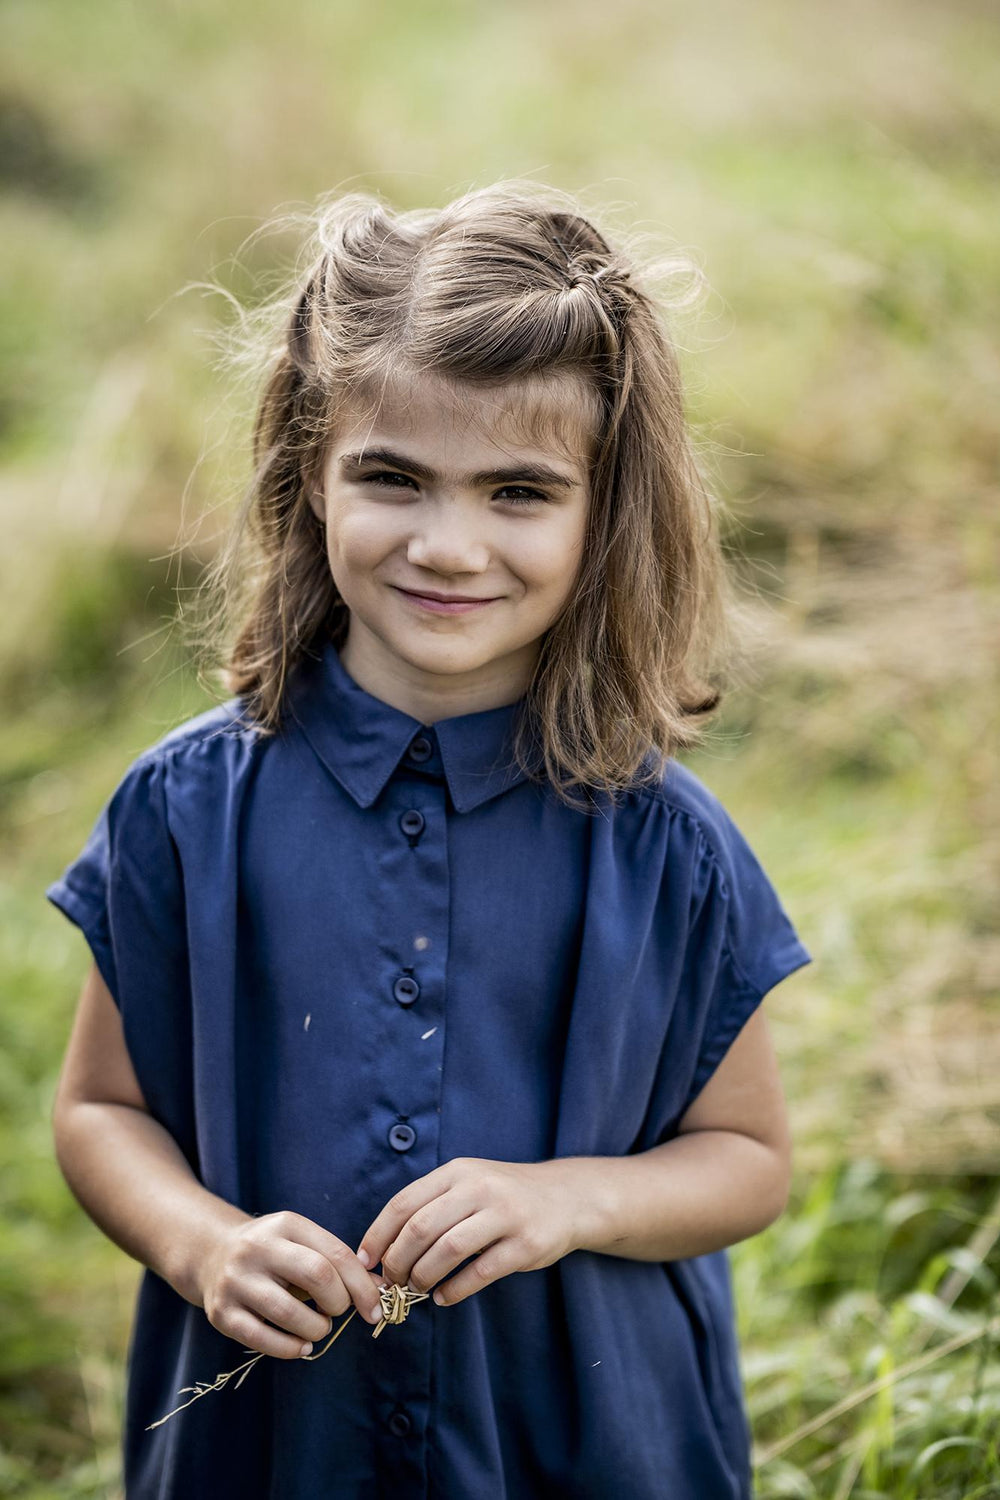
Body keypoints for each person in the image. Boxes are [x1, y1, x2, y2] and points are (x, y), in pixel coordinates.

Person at [46, 180, 812, 1500]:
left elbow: (749, 1162)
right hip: (276, 1445)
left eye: (519, 490)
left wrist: (570, 1200)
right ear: (309, 472)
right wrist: (202, 1247)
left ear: (603, 507)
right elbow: (102, 1112)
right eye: (394, 478)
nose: (449, 547)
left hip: (588, 1448)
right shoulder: (186, 810)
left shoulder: (667, 850)